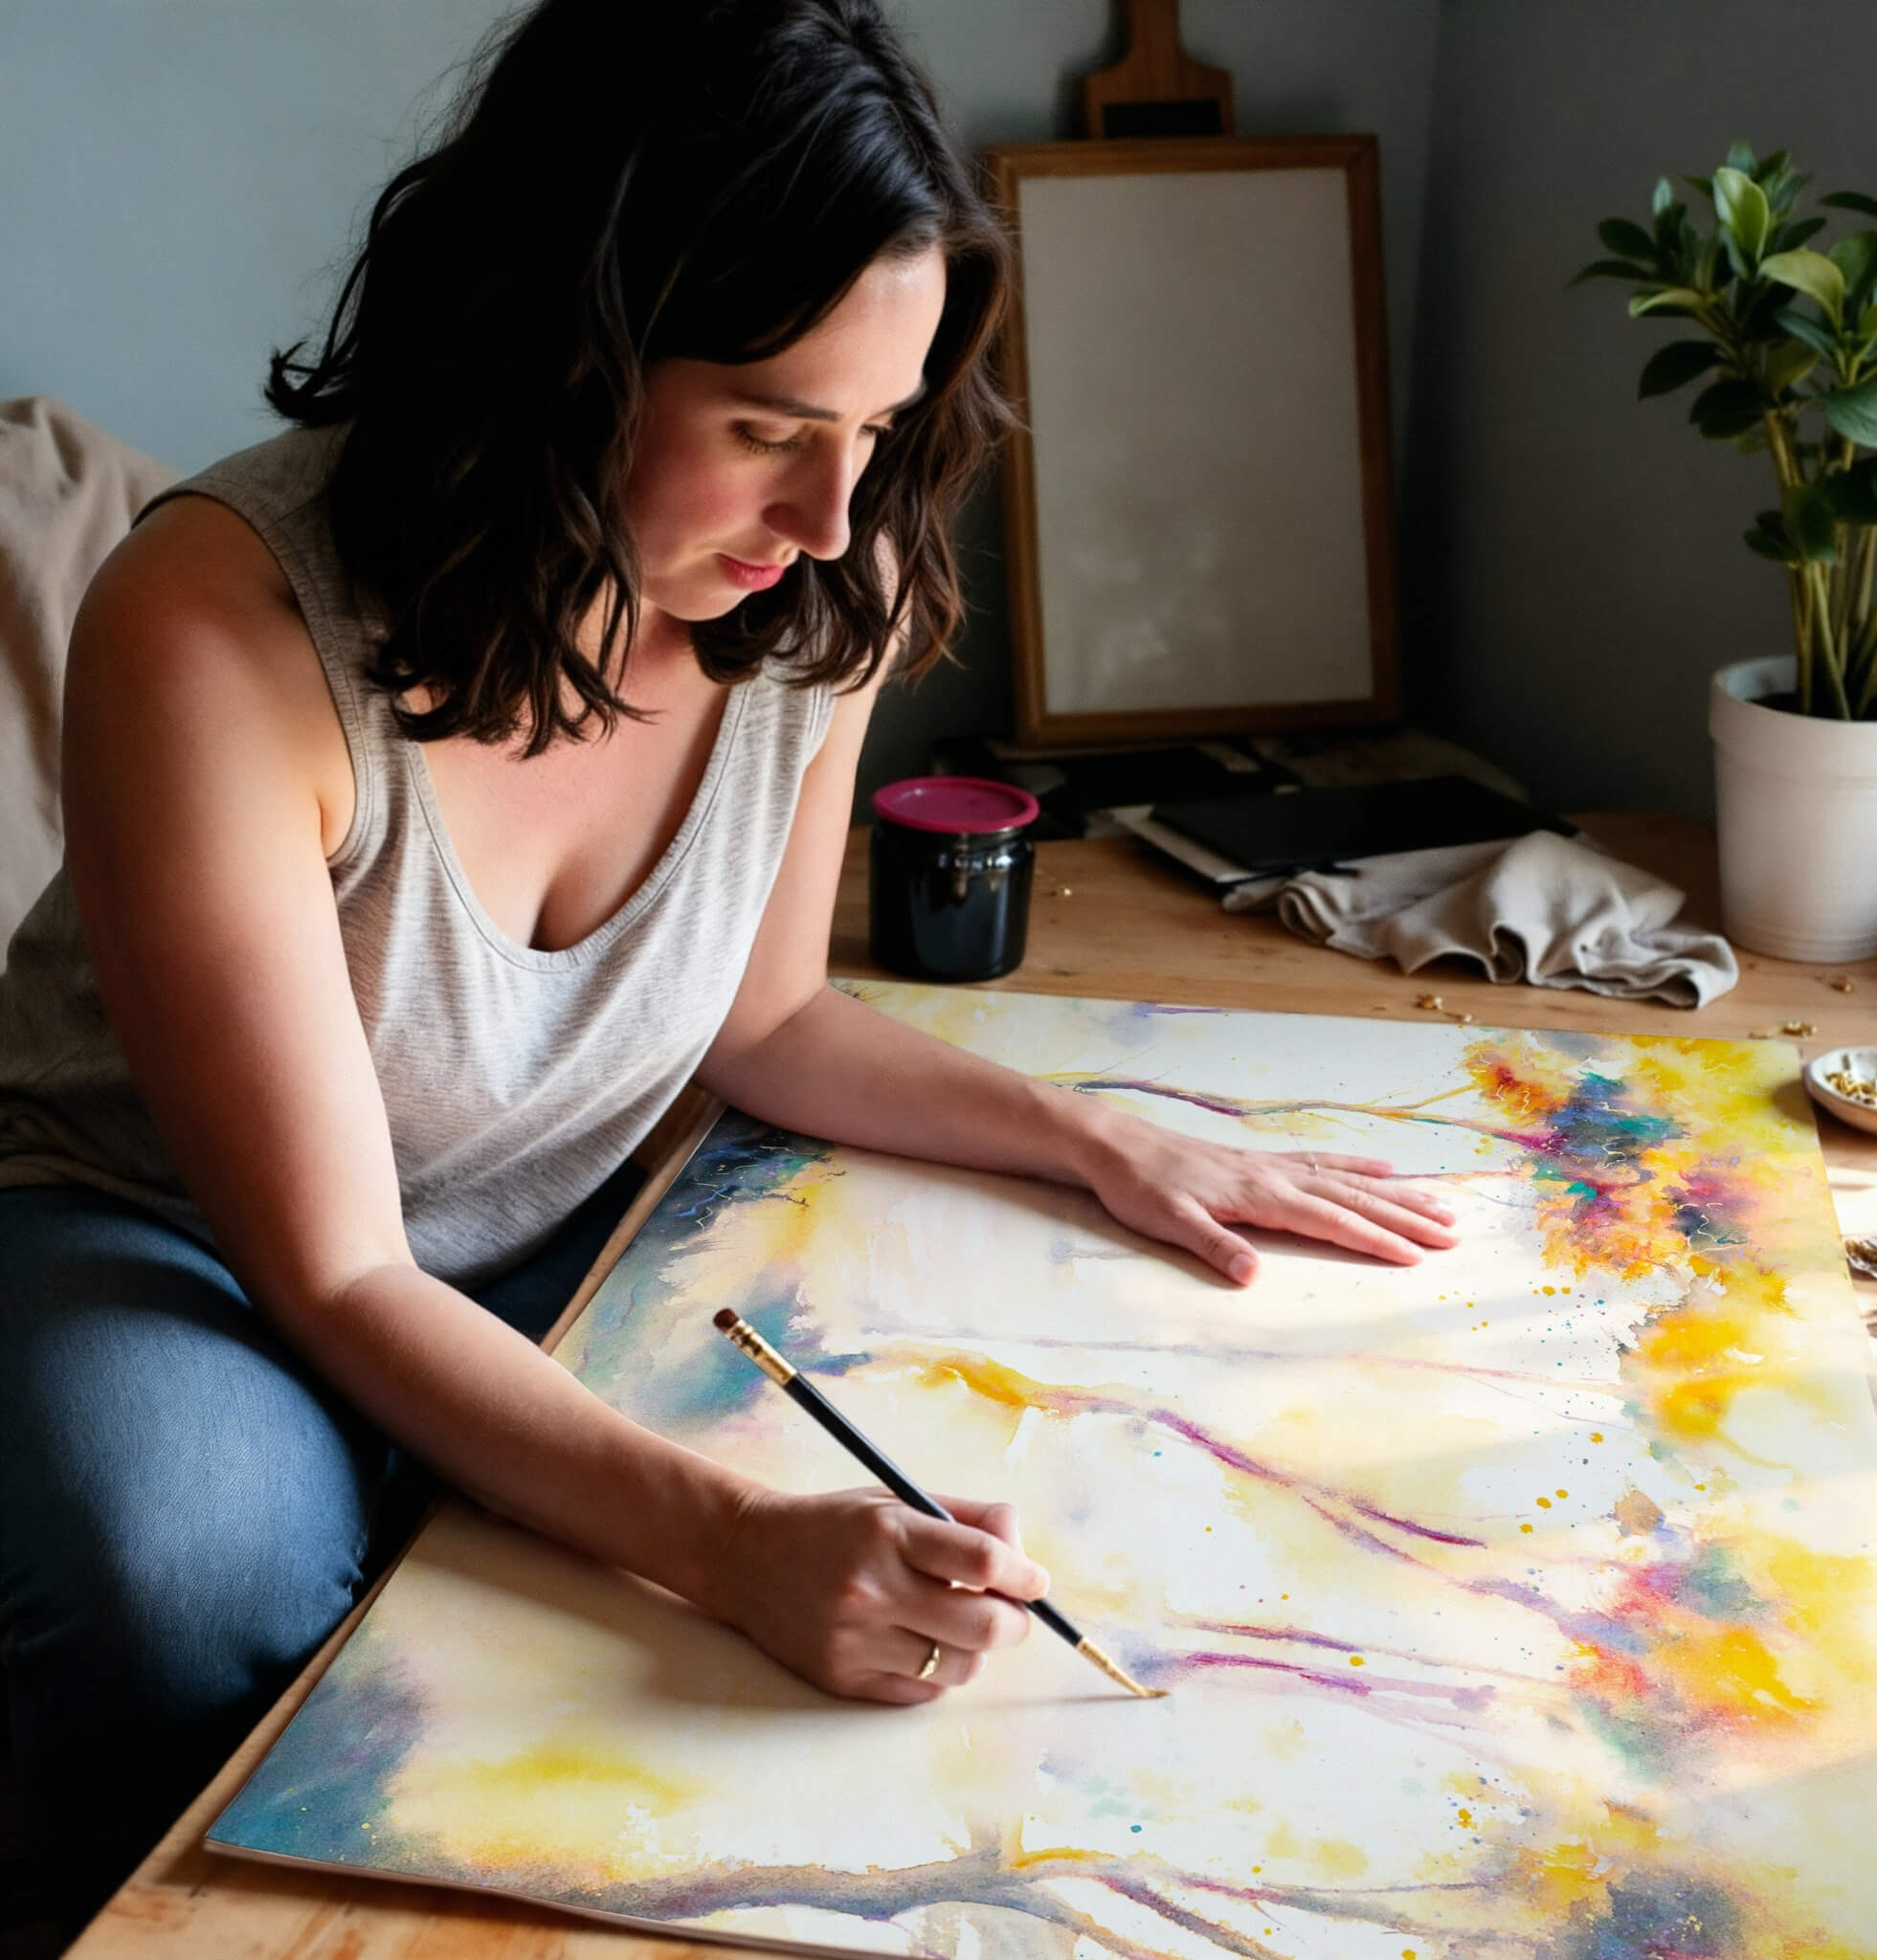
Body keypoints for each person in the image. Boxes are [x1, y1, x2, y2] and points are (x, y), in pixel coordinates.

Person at [0, 0, 1458, 1929]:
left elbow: (764, 1016)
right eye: (770, 427)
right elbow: (335, 1263)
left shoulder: (812, 584)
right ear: (556, 352)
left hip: (540, 1212)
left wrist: (1102, 1139)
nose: (832, 513)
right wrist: (731, 1543)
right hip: (169, 1230)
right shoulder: (213, 624)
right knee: (189, 1562)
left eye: (873, 430)